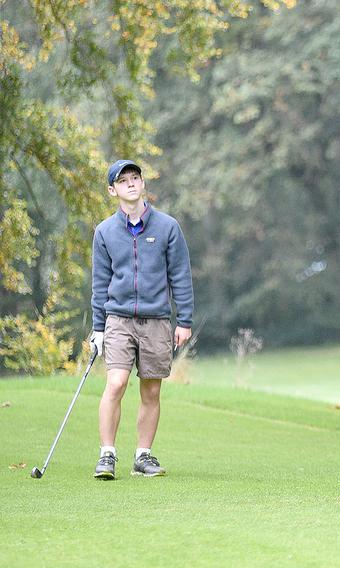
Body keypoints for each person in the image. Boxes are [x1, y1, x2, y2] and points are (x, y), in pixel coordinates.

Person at [89, 159, 194, 479]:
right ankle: (107, 454)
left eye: (135, 178)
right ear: (113, 190)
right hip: (118, 319)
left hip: (157, 320)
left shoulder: (167, 227)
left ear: (143, 183)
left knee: (151, 392)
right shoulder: (105, 232)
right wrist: (97, 328)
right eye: (123, 181)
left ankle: (143, 456)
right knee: (116, 382)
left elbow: (181, 275)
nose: (131, 183)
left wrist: (184, 320)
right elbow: (100, 281)